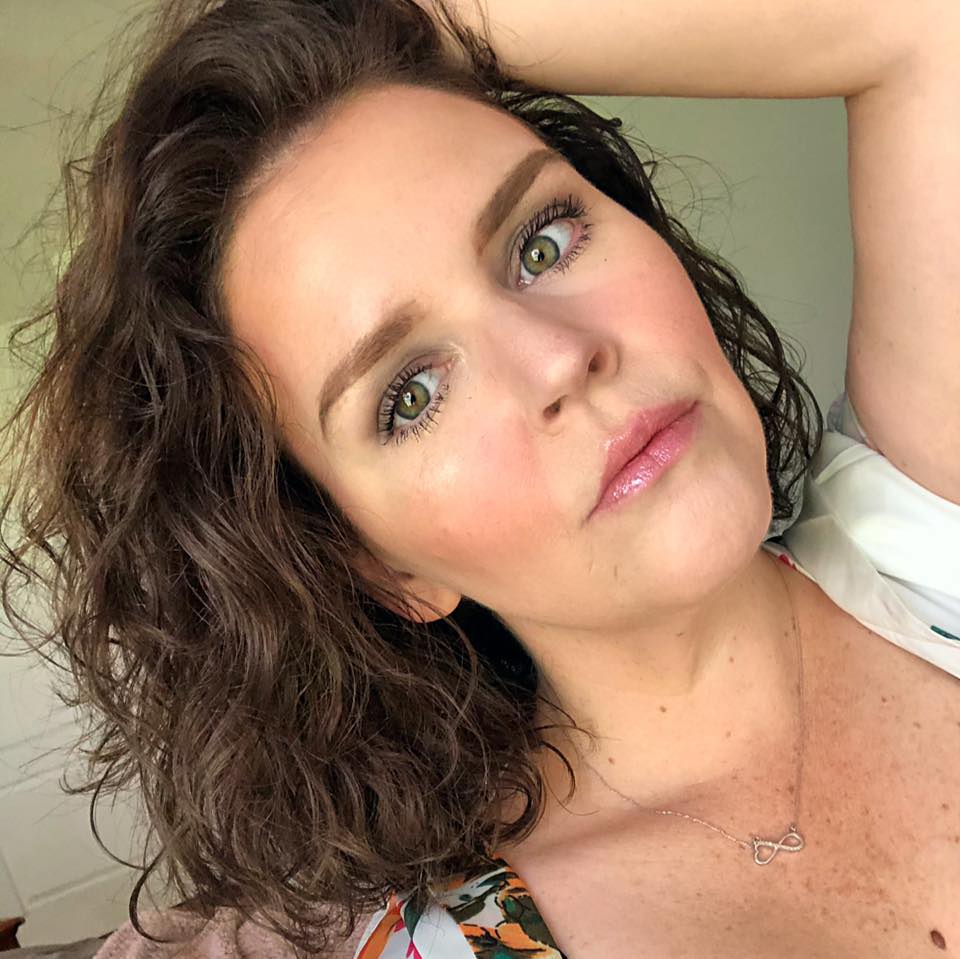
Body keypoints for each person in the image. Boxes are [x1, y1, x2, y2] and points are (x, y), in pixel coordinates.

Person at [1, 0, 957, 956]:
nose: (560, 358)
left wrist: (388, 17)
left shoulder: (923, 526)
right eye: (411, 394)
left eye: (543, 243)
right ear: (382, 565)